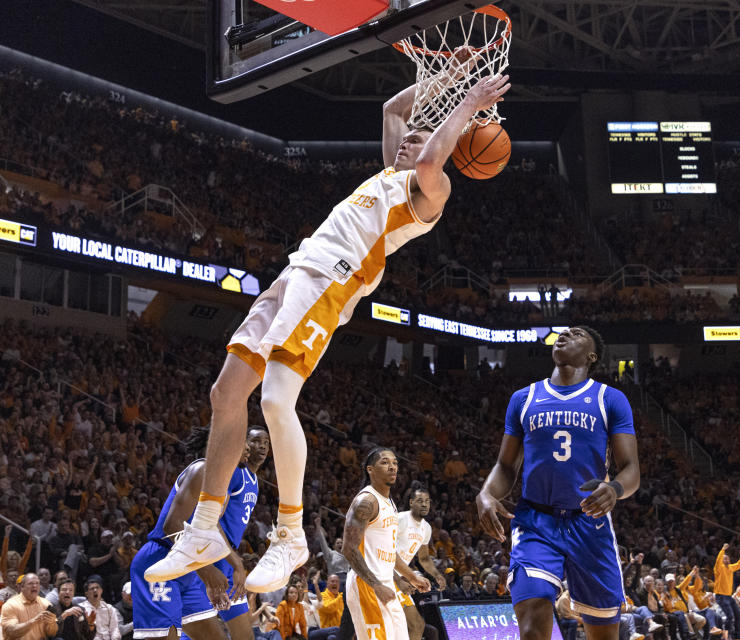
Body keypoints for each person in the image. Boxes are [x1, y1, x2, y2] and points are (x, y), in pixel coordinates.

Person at [144, 55, 511, 593]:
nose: (412, 139)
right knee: (226, 393)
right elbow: (393, 108)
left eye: (424, 138)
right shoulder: (390, 173)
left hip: (332, 281)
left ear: (447, 150)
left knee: (274, 401)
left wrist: (469, 106)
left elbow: (433, 160)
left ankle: (289, 534)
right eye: (413, 138)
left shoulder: (427, 195)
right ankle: (204, 527)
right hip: (298, 270)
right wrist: (450, 77)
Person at [476, 326, 641, 640]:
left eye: (577, 334)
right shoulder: (523, 399)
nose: (565, 334)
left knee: (604, 635)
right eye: (564, 332)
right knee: (531, 627)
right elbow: (505, 466)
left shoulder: (610, 399)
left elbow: (631, 469)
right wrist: (486, 494)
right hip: (536, 522)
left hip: (589, 524)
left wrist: (615, 489)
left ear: (592, 356)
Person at [132, 426, 270, 640]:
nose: (248, 447)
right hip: (162, 559)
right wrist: (207, 573)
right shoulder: (203, 470)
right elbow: (172, 526)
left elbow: (212, 526)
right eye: (243, 440)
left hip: (188, 569)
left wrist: (235, 563)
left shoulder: (220, 480)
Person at [343, 448, 430, 640]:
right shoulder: (366, 501)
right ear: (370, 469)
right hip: (367, 585)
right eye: (384, 462)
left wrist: (411, 576)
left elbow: (390, 552)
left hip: (387, 584)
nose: (392, 467)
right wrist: (375, 585)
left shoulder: (389, 503)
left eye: (395, 463)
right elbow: (348, 549)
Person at [396, 482, 446, 640]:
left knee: (417, 625)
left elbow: (423, 558)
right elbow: (385, 551)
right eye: (420, 500)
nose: (424, 504)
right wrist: (409, 577)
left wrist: (437, 574)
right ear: (411, 502)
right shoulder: (400, 519)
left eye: (427, 501)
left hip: (400, 577)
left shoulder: (427, 528)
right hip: (384, 575)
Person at [0, 572, 59, 640]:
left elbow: (52, 633)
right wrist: (33, 621)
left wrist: (52, 624)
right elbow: (11, 632)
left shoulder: (46, 603)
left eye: (37, 583)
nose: (35, 586)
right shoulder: (11, 604)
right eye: (30, 583)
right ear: (22, 587)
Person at [713, 544, 740, 639]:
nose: (727, 560)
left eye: (728, 559)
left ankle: (737, 635)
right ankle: (727, 636)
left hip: (728, 596)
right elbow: (718, 561)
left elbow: (739, 564)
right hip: (721, 596)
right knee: (730, 616)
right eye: (725, 559)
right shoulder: (719, 568)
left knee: (738, 614)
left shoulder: (730, 567)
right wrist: (722, 550)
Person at [308, 574, 342, 640]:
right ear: (327, 583)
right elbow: (328, 608)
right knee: (333, 634)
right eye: (332, 581)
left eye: (336, 581)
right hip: (326, 631)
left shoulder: (341, 597)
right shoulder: (322, 596)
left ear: (339, 584)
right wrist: (341, 597)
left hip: (339, 633)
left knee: (332, 638)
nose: (335, 583)